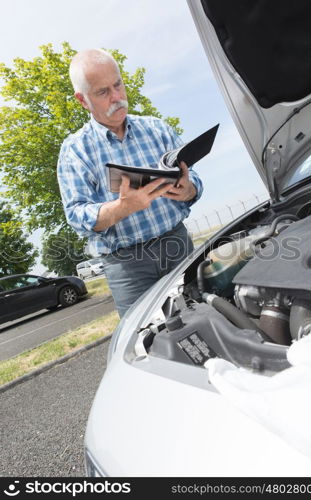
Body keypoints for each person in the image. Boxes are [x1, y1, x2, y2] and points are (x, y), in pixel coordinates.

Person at [57, 49, 203, 317]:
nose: (117, 97)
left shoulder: (157, 128)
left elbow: (194, 181)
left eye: (118, 85)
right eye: (103, 92)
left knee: (205, 318)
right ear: (82, 100)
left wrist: (188, 190)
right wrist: (122, 207)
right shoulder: (75, 151)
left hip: (179, 245)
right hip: (128, 267)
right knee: (148, 341)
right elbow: (76, 214)